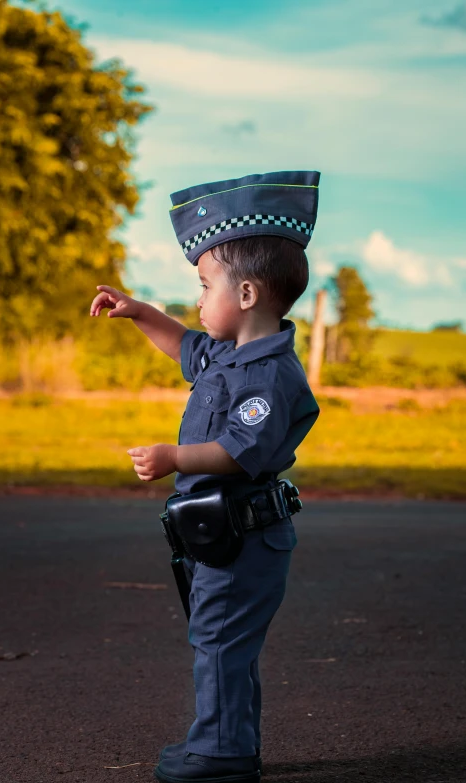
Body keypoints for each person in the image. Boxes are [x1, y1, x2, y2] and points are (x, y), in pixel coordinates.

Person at [89, 170, 321, 783]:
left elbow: (238, 450)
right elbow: (183, 346)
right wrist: (140, 312)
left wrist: (173, 457)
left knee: (219, 643)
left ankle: (221, 755)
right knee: (222, 642)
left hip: (245, 538)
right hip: (218, 535)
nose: (196, 299)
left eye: (203, 284)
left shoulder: (270, 376)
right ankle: (231, 743)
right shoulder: (226, 352)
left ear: (245, 294)